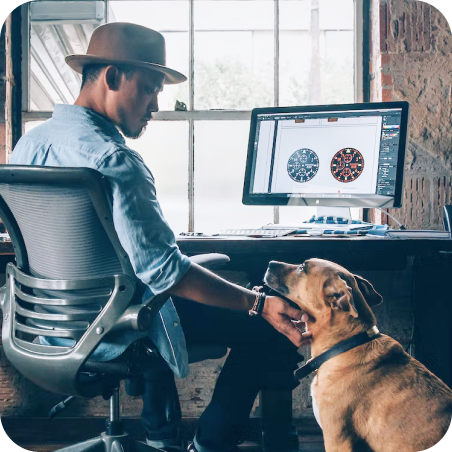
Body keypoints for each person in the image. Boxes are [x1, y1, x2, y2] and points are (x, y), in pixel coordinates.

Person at [10, 23, 311, 452]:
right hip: (116, 328)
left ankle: (163, 438)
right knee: (270, 326)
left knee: (186, 299)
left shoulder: (29, 147)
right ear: (113, 78)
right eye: (149, 89)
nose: (156, 105)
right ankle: (208, 444)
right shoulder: (116, 160)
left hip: (48, 326)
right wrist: (259, 303)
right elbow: (165, 270)